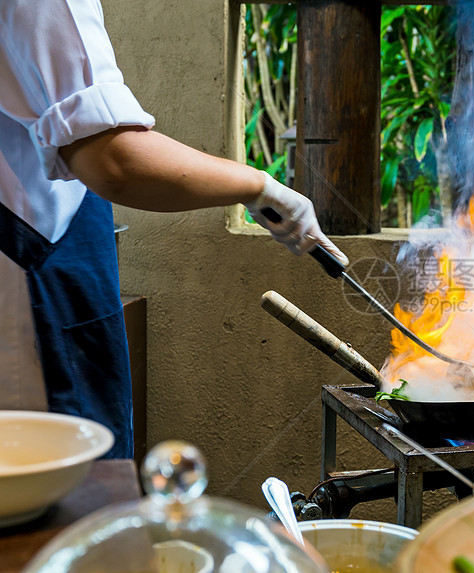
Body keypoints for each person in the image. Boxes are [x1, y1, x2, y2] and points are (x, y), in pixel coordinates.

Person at [0, 0, 348, 458]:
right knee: (70, 499)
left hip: (42, 251)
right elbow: (114, 160)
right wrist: (261, 187)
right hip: (30, 272)